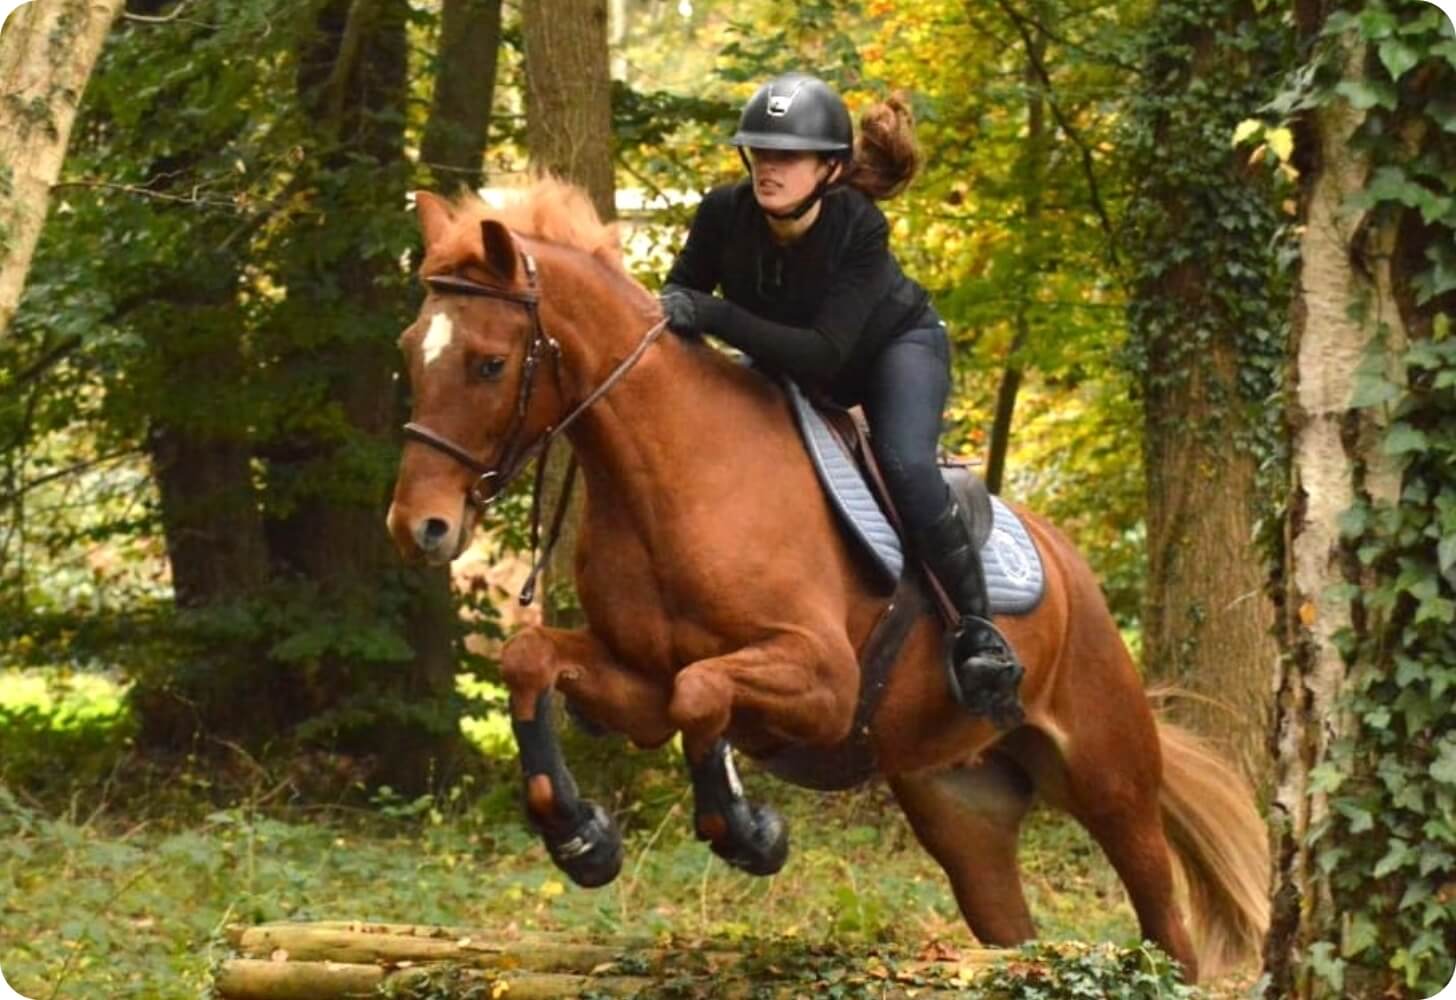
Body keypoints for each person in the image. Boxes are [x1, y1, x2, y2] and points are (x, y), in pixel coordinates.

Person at [658, 72, 1023, 727]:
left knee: (906, 464)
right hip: (784, 362)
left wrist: (714, 314)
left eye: (788, 155)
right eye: (760, 152)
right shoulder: (722, 214)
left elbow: (822, 352)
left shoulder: (858, 225)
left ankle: (979, 635)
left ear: (829, 168)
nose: (768, 168)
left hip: (891, 353)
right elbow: (677, 302)